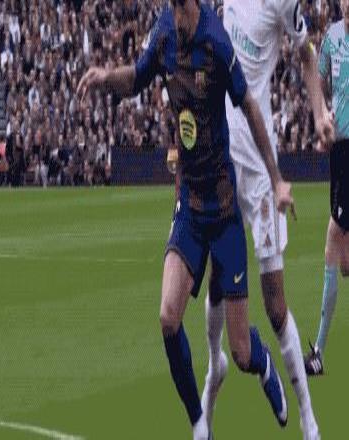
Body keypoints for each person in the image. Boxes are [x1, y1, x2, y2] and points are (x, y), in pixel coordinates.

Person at [78, 1, 294, 438]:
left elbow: (250, 107)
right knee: (167, 317)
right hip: (190, 208)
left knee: (241, 353)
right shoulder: (164, 31)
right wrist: (105, 77)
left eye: (181, 7)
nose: (176, 16)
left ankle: (263, 361)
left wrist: (276, 179)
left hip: (225, 210)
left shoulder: (216, 42)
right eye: (171, 7)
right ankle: (199, 423)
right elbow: (136, 78)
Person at [200, 1, 335, 438]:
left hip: (260, 170)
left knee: (276, 306)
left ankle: (309, 419)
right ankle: (213, 370)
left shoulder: (283, 4)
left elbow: (307, 53)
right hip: (220, 159)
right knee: (217, 278)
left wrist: (319, 112)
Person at [305, 0, 349, 376]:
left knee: (333, 240)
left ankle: (318, 351)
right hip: (340, 150)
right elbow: (319, 81)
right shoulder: (332, 38)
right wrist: (322, 114)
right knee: (344, 258)